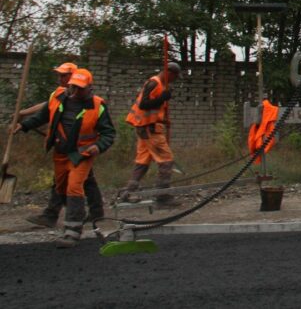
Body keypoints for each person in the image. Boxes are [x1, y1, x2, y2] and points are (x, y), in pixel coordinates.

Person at [11, 68, 115, 248]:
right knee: (61, 187)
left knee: (75, 187)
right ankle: (78, 214)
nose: (78, 91)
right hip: (60, 153)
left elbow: (108, 133)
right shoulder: (58, 99)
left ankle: (72, 232)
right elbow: (42, 117)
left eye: (82, 88)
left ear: (90, 87)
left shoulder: (98, 106)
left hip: (81, 154)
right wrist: (23, 125)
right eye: (75, 87)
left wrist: (98, 146)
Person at [120, 62, 181, 203]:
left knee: (143, 161)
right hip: (149, 129)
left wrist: (164, 121)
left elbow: (154, 110)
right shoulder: (154, 83)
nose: (175, 79)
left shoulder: (160, 85)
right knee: (166, 160)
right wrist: (163, 98)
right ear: (169, 72)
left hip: (146, 127)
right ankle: (162, 195)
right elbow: (144, 105)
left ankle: (129, 192)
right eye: (175, 76)